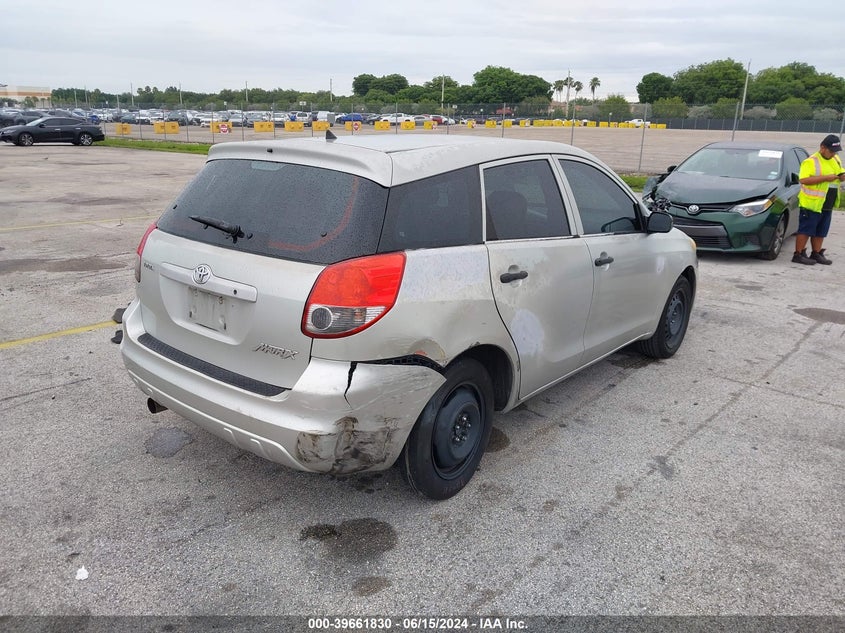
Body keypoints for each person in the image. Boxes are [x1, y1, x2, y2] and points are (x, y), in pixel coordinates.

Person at [792, 134, 845, 265]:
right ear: (822, 148)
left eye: (835, 151)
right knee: (806, 229)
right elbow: (803, 180)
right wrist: (826, 178)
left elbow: (840, 171)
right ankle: (798, 254)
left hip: (827, 202)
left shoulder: (835, 159)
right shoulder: (811, 161)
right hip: (812, 203)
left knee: (821, 230)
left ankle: (816, 253)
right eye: (831, 151)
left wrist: (842, 176)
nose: (833, 154)